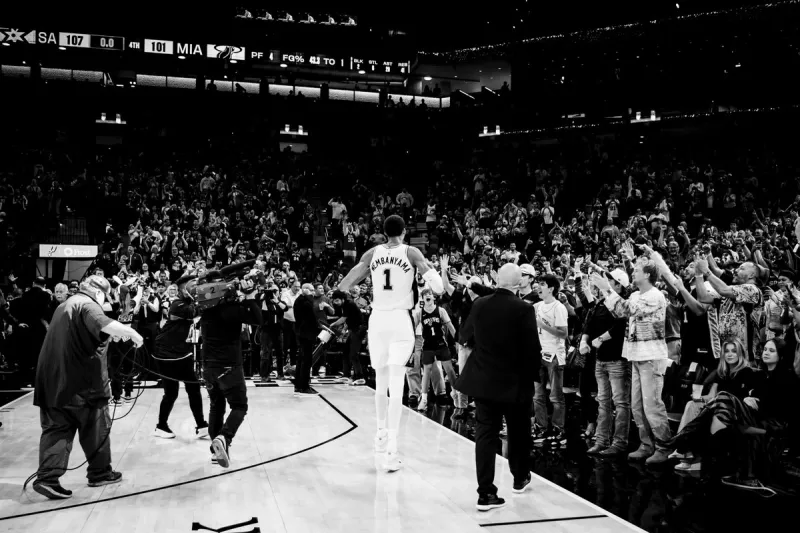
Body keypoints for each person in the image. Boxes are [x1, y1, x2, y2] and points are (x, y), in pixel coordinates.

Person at [338, 214, 444, 472]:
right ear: (405, 231)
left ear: (384, 233)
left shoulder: (373, 252)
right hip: (399, 320)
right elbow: (438, 288)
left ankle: (380, 433)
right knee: (397, 385)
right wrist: (432, 276)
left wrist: (340, 289)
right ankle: (392, 449)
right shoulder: (411, 252)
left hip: (377, 321)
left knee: (381, 382)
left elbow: (350, 277)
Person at [32, 276, 143, 500]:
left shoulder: (64, 305)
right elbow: (102, 322)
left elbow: (90, 333)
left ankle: (47, 478)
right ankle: (100, 473)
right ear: (100, 293)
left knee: (57, 430)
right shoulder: (87, 304)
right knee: (96, 427)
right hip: (82, 387)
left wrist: (115, 333)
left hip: (51, 384)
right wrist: (133, 334)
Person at [456, 263, 541, 511]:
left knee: (485, 435)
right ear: (517, 285)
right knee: (518, 433)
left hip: (483, 380)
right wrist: (532, 377)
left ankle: (485, 493)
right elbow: (531, 348)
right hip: (514, 382)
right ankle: (519, 478)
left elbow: (465, 335)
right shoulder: (523, 309)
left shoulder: (480, 304)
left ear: (497, 280)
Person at [591, 255, 674, 465]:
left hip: (651, 356)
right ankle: (646, 445)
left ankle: (664, 446)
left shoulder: (655, 296)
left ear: (647, 274)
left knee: (652, 405)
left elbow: (628, 311)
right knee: (637, 406)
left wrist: (606, 289)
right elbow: (620, 311)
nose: (633, 273)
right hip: (635, 355)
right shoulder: (636, 294)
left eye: (636, 270)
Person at [200, 275, 263, 468]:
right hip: (229, 367)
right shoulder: (232, 310)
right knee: (239, 406)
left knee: (216, 406)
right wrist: (250, 295)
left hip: (208, 367)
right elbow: (258, 319)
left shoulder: (206, 311)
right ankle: (224, 437)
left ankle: (218, 451)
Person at [152, 273, 209, 440]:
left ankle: (201, 425)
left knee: (192, 388)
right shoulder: (177, 304)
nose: (196, 288)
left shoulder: (186, 302)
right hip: (166, 353)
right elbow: (195, 312)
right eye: (193, 285)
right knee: (172, 392)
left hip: (181, 352)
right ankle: (161, 426)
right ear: (184, 288)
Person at [531, 274, 569, 445]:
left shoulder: (558, 307)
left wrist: (543, 326)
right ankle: (541, 427)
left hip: (554, 356)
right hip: (539, 353)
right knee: (538, 395)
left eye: (542, 284)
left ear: (551, 288)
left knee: (555, 396)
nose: (539, 287)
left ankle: (559, 430)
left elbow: (563, 333)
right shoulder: (538, 306)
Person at [413, 287, 457, 411]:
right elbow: (411, 329)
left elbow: (450, 326)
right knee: (426, 371)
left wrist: (458, 340)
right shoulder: (419, 313)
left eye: (429, 294)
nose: (427, 295)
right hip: (428, 345)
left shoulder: (441, 310)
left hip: (441, 344)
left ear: (433, 297)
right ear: (422, 298)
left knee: (449, 370)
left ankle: (455, 393)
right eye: (425, 294)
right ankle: (424, 399)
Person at [329, 290, 366, 385]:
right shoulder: (345, 305)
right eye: (334, 301)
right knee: (345, 352)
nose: (335, 303)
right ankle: (346, 375)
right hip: (353, 329)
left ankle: (360, 376)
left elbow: (343, 319)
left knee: (353, 353)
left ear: (342, 299)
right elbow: (348, 319)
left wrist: (333, 324)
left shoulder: (349, 304)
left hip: (358, 329)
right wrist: (344, 330)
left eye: (337, 300)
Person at [292, 283, 320, 396]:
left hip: (304, 333)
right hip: (306, 333)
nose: (313, 292)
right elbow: (310, 311)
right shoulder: (303, 301)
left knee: (302, 359)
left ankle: (299, 384)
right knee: (306, 360)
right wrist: (309, 296)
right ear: (305, 290)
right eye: (311, 290)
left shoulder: (302, 300)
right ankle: (304, 386)